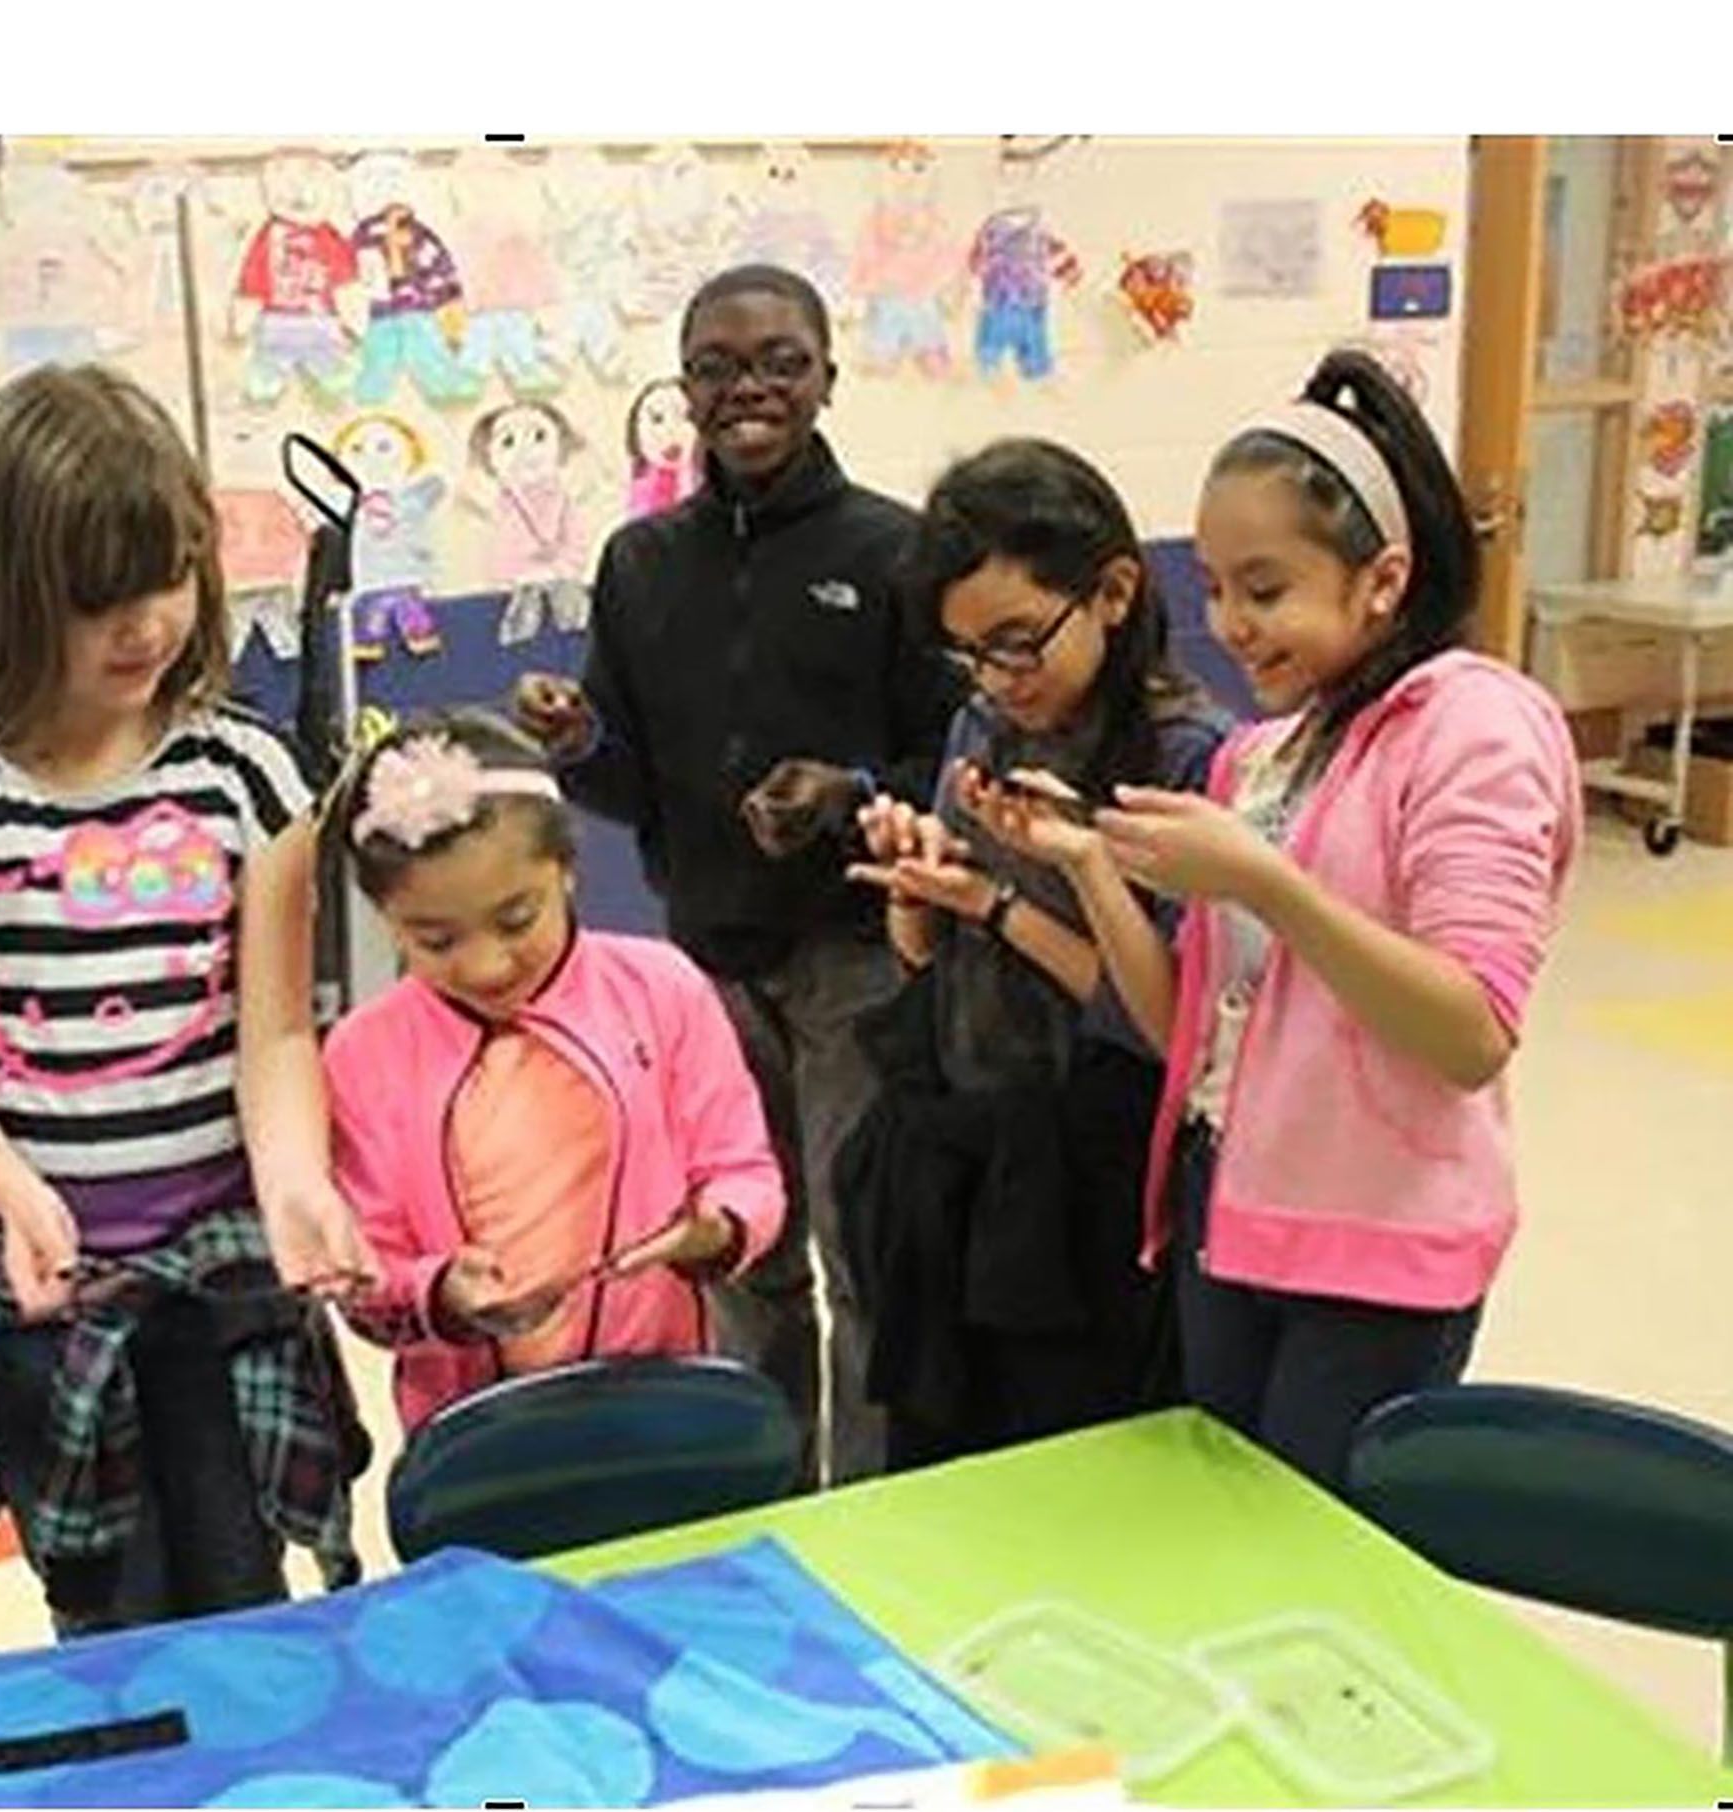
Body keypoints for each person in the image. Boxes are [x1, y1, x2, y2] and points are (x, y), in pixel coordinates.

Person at [0, 364, 371, 1637]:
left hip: (219, 1269)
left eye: (170, 578)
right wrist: (17, 1195)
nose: (144, 626)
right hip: (42, 1290)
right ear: (11, 589)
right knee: (103, 1609)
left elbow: (274, 1034)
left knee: (244, 1590)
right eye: (98, 600)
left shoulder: (247, 774)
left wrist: (297, 1184)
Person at [511, 264, 962, 1483]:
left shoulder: (895, 550)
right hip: (705, 973)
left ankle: (863, 1516)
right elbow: (624, 787)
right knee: (742, 1255)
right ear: (683, 389)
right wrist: (577, 742)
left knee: (863, 1261)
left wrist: (847, 794)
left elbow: (950, 765)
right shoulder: (640, 561)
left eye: (778, 363)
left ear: (826, 378)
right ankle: (767, 1498)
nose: (747, 389)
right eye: (714, 368)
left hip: (859, 962)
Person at [1101, 350, 1581, 1490]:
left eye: (1263, 590)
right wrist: (1083, 866)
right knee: (1229, 1523)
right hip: (1232, 1211)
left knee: (1322, 1556)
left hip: (1377, 1246)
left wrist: (1263, 883)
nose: (1229, 625)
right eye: (1212, 589)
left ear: (1382, 579)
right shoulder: (1260, 756)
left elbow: (1471, 1029)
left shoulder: (1474, 728)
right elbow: (1193, 1032)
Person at [842, 439, 1229, 1467]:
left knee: (1070, 1464)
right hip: (965, 1141)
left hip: (1089, 1176)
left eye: (1016, 644)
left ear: (1112, 592)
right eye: (967, 653)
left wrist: (1000, 904)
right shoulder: (981, 723)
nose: (994, 680)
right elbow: (925, 963)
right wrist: (918, 885)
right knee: (937, 1453)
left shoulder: (1187, 756)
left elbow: (1164, 1024)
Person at [318, 711, 785, 1431]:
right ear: (385, 916)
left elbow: (743, 1168)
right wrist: (440, 1291)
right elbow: (363, 1275)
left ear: (566, 869)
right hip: (475, 1434)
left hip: (661, 1399)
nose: (486, 966)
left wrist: (715, 1228)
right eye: (435, 940)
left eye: (516, 920)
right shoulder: (363, 1053)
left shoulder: (661, 989)